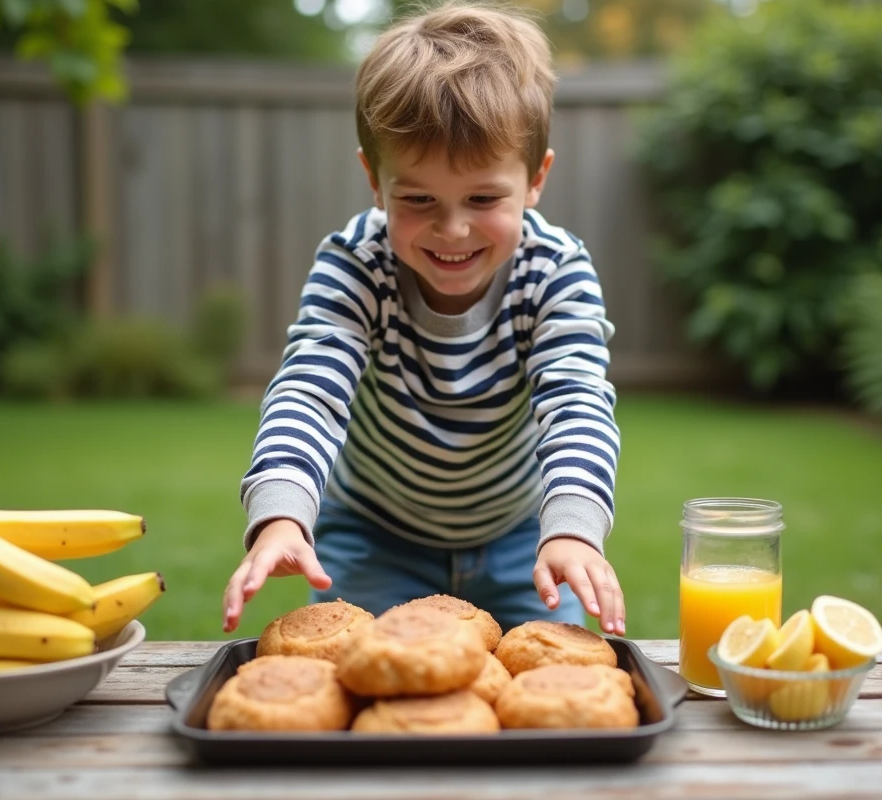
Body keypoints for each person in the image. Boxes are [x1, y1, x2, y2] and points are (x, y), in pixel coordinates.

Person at [222, 0, 625, 637]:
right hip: (376, 534)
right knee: (372, 685)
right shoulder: (358, 264)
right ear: (374, 180)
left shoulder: (556, 272)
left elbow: (576, 401)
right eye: (417, 199)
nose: (453, 228)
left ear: (536, 179)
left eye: (484, 198)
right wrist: (283, 513)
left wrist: (573, 529)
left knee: (547, 693)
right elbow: (310, 389)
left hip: (524, 539)